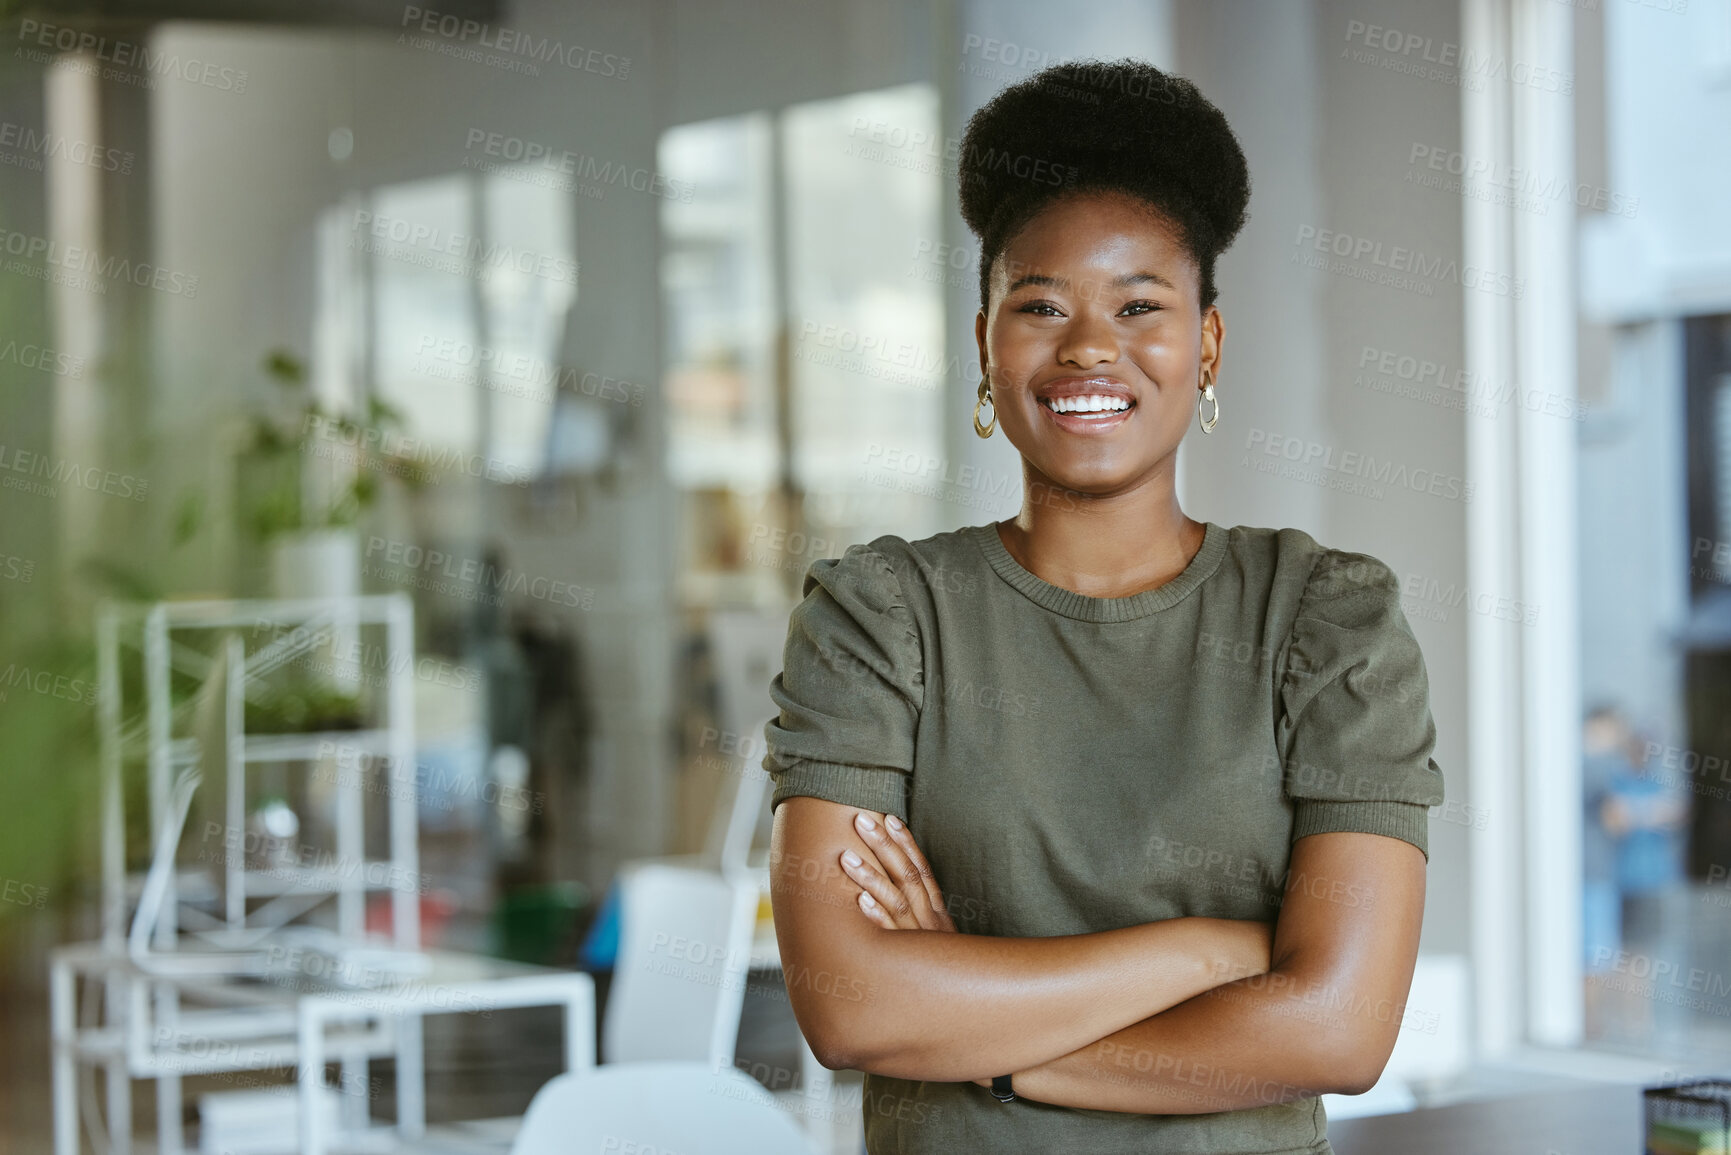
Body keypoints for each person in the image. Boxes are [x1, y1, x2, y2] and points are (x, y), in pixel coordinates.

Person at [762, 58, 1445, 1154]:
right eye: (1040, 305)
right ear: (984, 347)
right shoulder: (879, 615)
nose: (1089, 346)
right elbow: (850, 1006)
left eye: (1140, 304)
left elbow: (1342, 1031)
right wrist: (1216, 952)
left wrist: (988, 1042)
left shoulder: (1329, 619)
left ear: (1206, 345)